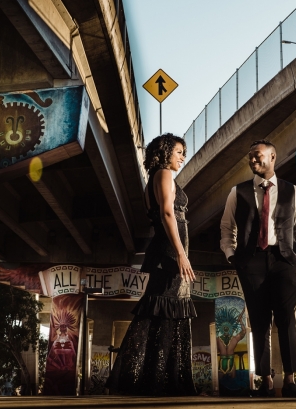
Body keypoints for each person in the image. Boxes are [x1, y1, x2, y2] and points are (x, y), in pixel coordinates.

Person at [107, 133, 197, 396]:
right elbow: (168, 213)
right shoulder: (165, 175)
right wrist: (181, 253)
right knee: (168, 311)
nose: (183, 156)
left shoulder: (153, 180)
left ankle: (153, 380)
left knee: (160, 314)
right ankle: (164, 381)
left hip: (163, 250)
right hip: (169, 252)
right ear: (165, 152)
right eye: (179, 151)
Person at [220, 140, 296, 398]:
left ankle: (291, 380)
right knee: (259, 321)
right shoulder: (237, 192)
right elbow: (227, 227)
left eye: (257, 156)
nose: (252, 161)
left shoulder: (293, 192)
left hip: (284, 260)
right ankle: (266, 382)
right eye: (250, 157)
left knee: (286, 319)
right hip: (252, 261)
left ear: (273, 156)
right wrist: (232, 256)